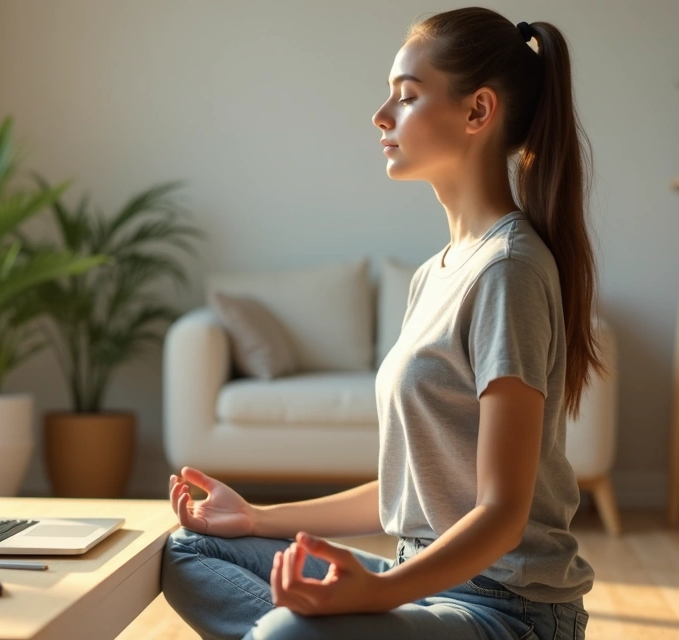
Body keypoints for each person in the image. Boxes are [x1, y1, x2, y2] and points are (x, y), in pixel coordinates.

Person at [161, 6, 606, 640]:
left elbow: (503, 515)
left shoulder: (509, 270)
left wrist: (378, 593)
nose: (381, 115)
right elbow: (408, 492)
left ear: (478, 111)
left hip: (504, 610)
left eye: (407, 96)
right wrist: (257, 517)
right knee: (193, 551)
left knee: (288, 633)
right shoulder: (435, 274)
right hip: (420, 580)